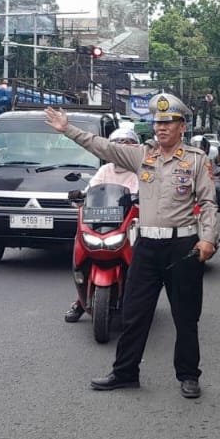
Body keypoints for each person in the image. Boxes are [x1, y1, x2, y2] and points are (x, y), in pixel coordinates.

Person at [44, 92, 218, 399]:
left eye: (169, 123)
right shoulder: (141, 156)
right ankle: (125, 372)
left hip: (182, 248)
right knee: (135, 313)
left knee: (186, 316)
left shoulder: (195, 160)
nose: (162, 128)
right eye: (158, 123)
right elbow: (103, 146)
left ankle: (189, 375)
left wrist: (207, 238)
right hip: (146, 245)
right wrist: (67, 129)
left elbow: (207, 203)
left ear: (182, 127)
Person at [64, 127, 141, 323]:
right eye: (117, 145)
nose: (122, 149)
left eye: (127, 144)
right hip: (101, 221)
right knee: (80, 249)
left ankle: (139, 301)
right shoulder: (105, 170)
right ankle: (80, 301)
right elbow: (91, 190)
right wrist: (80, 195)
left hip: (128, 224)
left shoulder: (139, 172)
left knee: (142, 261)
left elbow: (144, 195)